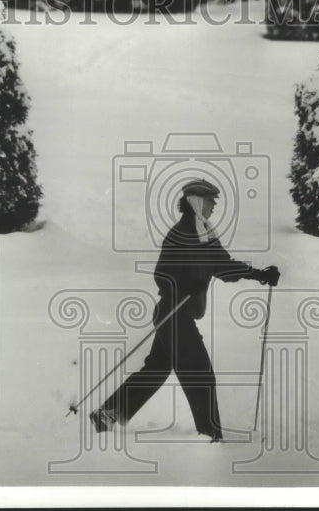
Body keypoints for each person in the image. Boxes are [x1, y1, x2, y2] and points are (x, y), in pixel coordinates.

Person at [90, 178, 280, 441]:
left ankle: (106, 415)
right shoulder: (182, 234)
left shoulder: (204, 233)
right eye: (210, 200)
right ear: (196, 201)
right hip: (173, 314)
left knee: (156, 369)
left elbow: (223, 266)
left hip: (175, 316)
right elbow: (161, 274)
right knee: (200, 374)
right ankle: (210, 435)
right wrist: (179, 285)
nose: (214, 206)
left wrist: (259, 274)